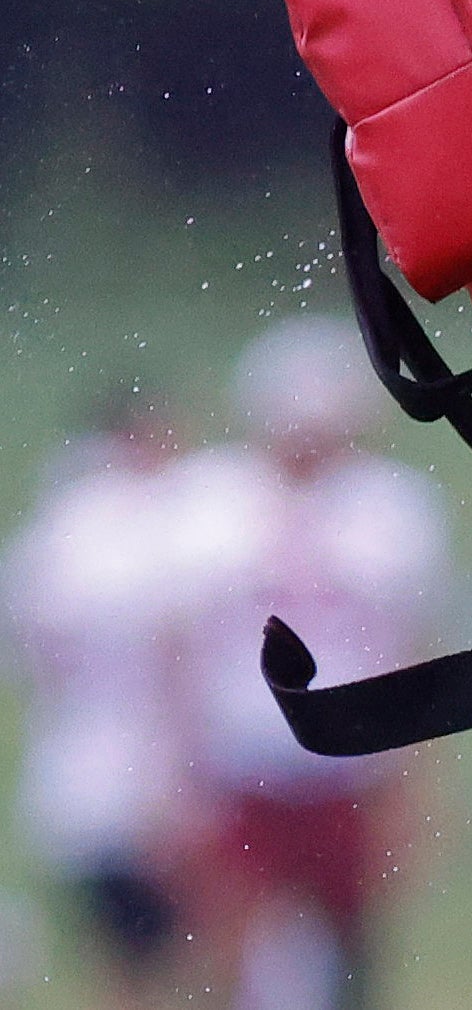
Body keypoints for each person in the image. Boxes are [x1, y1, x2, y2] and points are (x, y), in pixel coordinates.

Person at [173, 318, 450, 1010]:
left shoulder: (386, 505)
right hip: (239, 762)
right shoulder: (212, 499)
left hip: (351, 766)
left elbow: (410, 646)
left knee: (352, 948)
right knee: (231, 945)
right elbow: (177, 648)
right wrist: (176, 769)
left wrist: (416, 779)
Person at [2, 393, 201, 1010]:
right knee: (183, 959)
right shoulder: (145, 527)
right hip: (155, 773)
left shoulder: (52, 532)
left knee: (125, 961)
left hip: (75, 775)